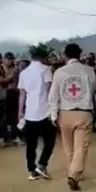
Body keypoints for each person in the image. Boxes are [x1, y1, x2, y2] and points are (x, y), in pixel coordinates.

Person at [48, 43, 96, 191]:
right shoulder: (89, 71)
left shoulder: (59, 72)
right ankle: (74, 174)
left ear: (65, 55)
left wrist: (53, 114)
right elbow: (93, 90)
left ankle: (73, 172)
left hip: (65, 113)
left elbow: (53, 95)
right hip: (83, 112)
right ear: (79, 54)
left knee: (68, 147)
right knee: (81, 146)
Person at [18, 46, 56, 180]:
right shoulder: (46, 70)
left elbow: (22, 95)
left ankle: (32, 169)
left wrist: (19, 113)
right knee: (49, 140)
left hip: (29, 112)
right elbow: (50, 90)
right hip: (44, 111)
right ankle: (42, 164)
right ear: (42, 57)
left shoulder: (24, 73)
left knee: (31, 144)